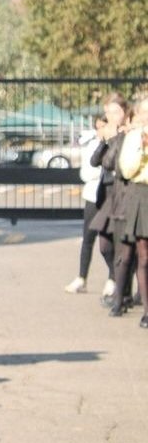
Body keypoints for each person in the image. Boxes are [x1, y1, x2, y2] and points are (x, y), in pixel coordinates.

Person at [90, 94, 131, 309]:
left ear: (125, 113)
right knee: (105, 246)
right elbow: (96, 161)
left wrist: (114, 138)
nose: (111, 117)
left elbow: (114, 163)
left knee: (122, 247)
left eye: (116, 112)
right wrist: (103, 141)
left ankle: (121, 293)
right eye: (108, 113)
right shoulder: (109, 137)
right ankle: (117, 282)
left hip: (122, 194)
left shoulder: (126, 136)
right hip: (106, 194)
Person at [65, 117, 107, 294]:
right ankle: (82, 277)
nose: (101, 130)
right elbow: (86, 172)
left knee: (108, 243)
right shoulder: (92, 145)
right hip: (92, 195)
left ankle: (113, 279)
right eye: (98, 127)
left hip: (109, 196)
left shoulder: (115, 143)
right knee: (88, 238)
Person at [118, 96, 148, 327]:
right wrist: (141, 148)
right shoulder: (133, 139)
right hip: (142, 194)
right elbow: (127, 170)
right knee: (144, 256)